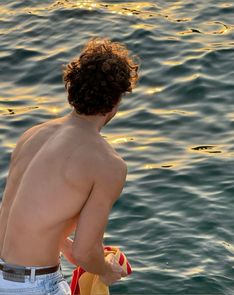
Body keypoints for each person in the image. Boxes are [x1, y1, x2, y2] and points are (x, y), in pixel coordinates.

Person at [0, 37, 139, 294]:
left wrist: (62, 243)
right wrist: (106, 270)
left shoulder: (33, 135)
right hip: (34, 285)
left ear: (71, 89)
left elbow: (21, 211)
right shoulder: (107, 164)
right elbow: (86, 252)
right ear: (115, 101)